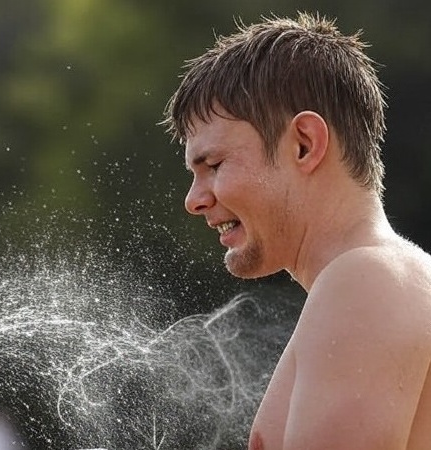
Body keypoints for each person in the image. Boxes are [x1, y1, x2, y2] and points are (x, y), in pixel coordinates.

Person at [162, 12, 431, 450]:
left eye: (214, 165)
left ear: (304, 144)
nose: (193, 200)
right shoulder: (387, 279)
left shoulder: (366, 281)